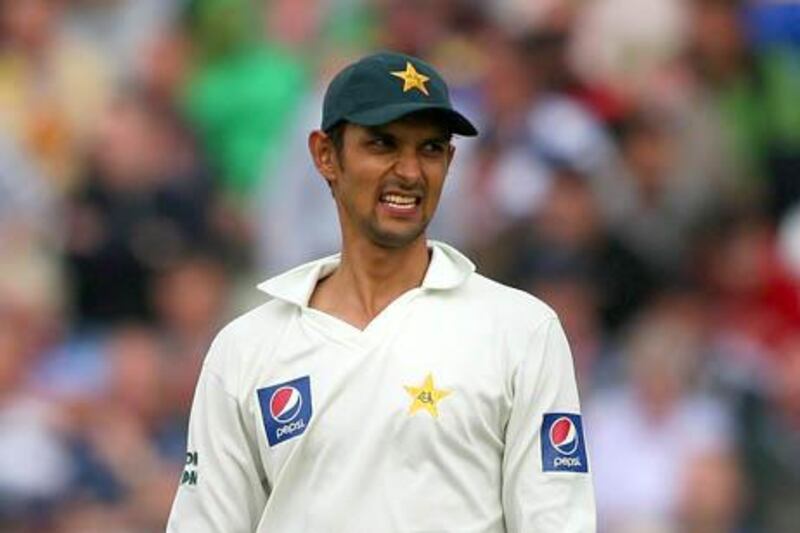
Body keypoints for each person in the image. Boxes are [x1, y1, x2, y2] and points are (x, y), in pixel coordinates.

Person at [166, 51, 595, 532]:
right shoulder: (246, 348)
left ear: (450, 161)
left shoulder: (522, 331)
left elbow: (556, 520)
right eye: (383, 144)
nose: (410, 171)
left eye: (430, 149)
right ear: (325, 155)